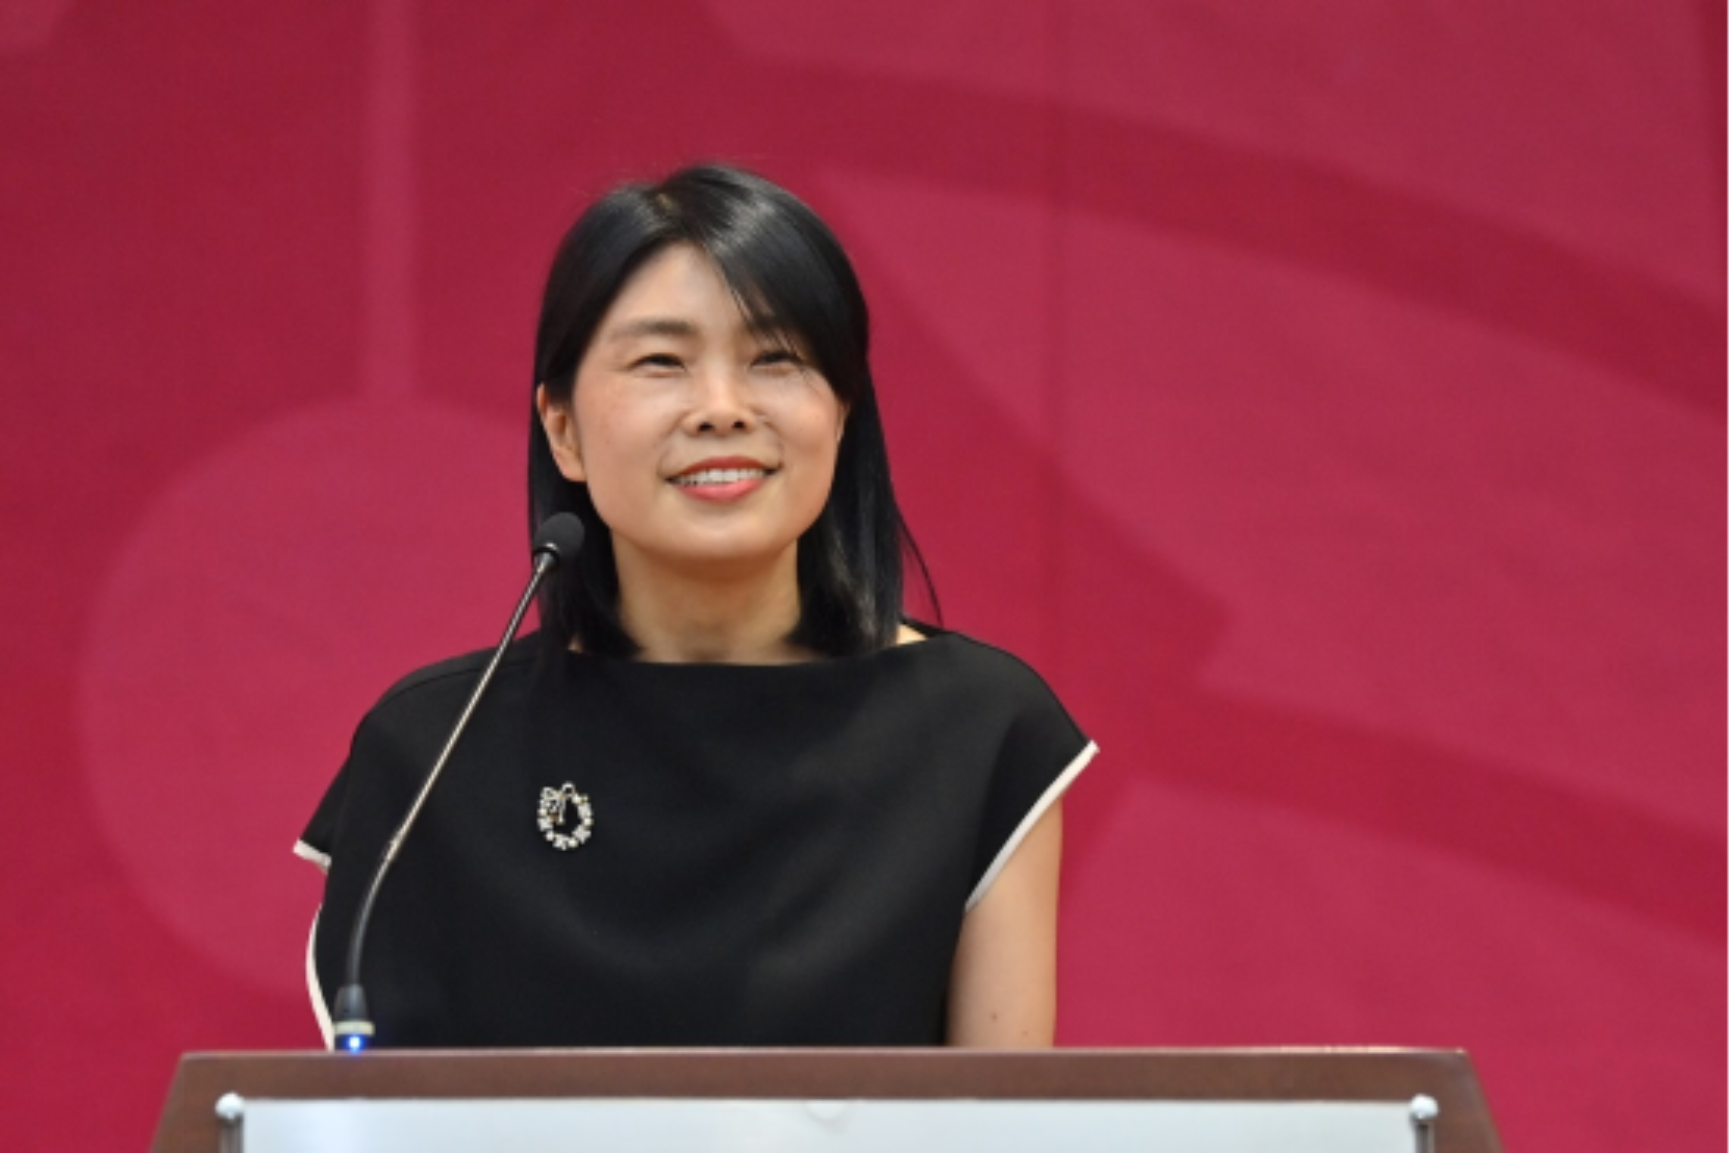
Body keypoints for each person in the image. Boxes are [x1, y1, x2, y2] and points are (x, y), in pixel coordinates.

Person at [296, 164, 1096, 1049]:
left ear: (842, 411)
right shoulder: (435, 752)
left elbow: (999, 1116)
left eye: (776, 359)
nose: (721, 409)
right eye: (661, 363)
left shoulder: (978, 732)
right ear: (562, 428)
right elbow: (372, 1108)